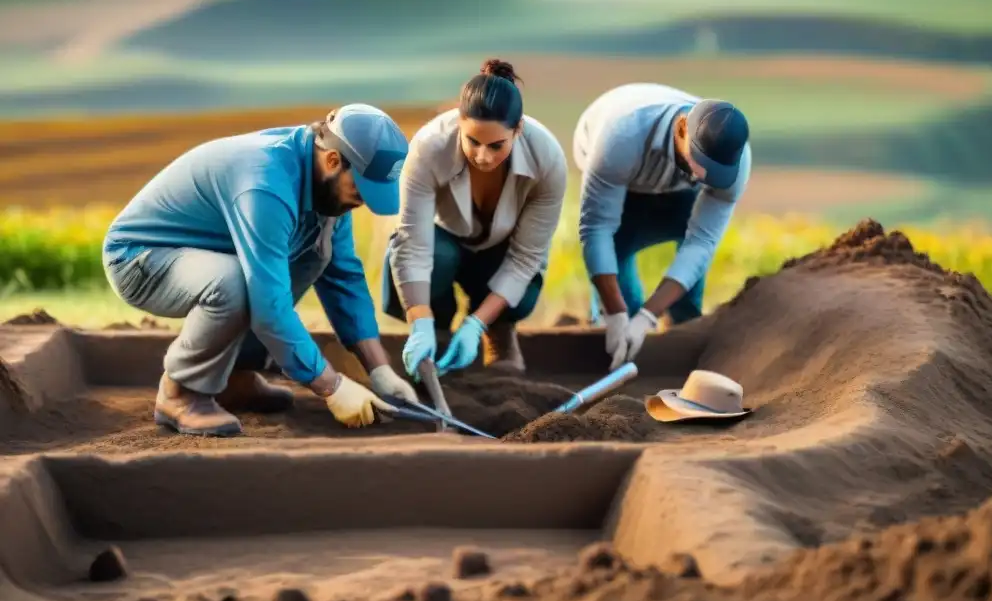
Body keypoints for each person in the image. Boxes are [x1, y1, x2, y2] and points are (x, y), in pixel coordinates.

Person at [101, 104, 419, 437]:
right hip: (141, 258)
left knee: (316, 253)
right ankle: (180, 393)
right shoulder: (266, 183)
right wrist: (332, 385)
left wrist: (380, 370)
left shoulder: (327, 190)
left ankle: (234, 378)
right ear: (333, 161)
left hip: (210, 256)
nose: (363, 202)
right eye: (360, 191)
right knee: (237, 283)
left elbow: (344, 277)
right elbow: (269, 305)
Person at [383, 59, 567, 379]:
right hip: (442, 240)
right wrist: (420, 323)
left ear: (518, 129)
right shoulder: (428, 147)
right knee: (436, 256)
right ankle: (436, 333)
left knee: (520, 292)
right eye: (473, 142)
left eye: (497, 146)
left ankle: (497, 332)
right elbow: (413, 246)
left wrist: (476, 323)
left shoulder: (547, 159)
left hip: (503, 251)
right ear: (459, 121)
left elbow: (525, 258)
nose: (483, 157)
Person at [573, 83, 751, 370]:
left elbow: (701, 243)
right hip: (622, 178)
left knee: (683, 310)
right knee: (618, 284)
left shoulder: (734, 167)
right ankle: (609, 340)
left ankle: (680, 338)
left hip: (677, 186)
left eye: (715, 173)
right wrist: (619, 313)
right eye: (701, 163)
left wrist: (648, 316)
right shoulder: (620, 137)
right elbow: (596, 230)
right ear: (682, 129)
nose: (704, 177)